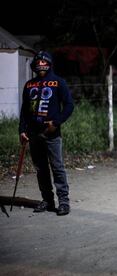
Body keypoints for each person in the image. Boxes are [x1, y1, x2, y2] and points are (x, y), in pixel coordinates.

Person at [19, 50, 74, 216]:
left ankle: (63, 202)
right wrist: (22, 130)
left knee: (57, 167)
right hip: (34, 134)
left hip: (51, 134)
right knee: (41, 169)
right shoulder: (29, 85)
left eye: (44, 63)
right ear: (34, 66)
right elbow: (24, 111)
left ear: (49, 64)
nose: (41, 66)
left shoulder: (58, 82)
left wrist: (56, 122)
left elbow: (69, 105)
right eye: (38, 63)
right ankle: (47, 200)